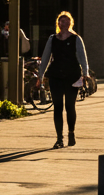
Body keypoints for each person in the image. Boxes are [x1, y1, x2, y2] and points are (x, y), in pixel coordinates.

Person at [37, 11, 89, 149]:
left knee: (70, 107)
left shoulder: (76, 39)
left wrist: (85, 73)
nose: (63, 23)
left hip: (72, 77)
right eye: (61, 21)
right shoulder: (52, 39)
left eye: (66, 21)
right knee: (57, 107)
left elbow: (82, 58)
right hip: (56, 77)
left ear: (70, 23)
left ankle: (71, 133)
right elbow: (46, 57)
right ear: (58, 24)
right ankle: (59, 138)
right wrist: (40, 75)